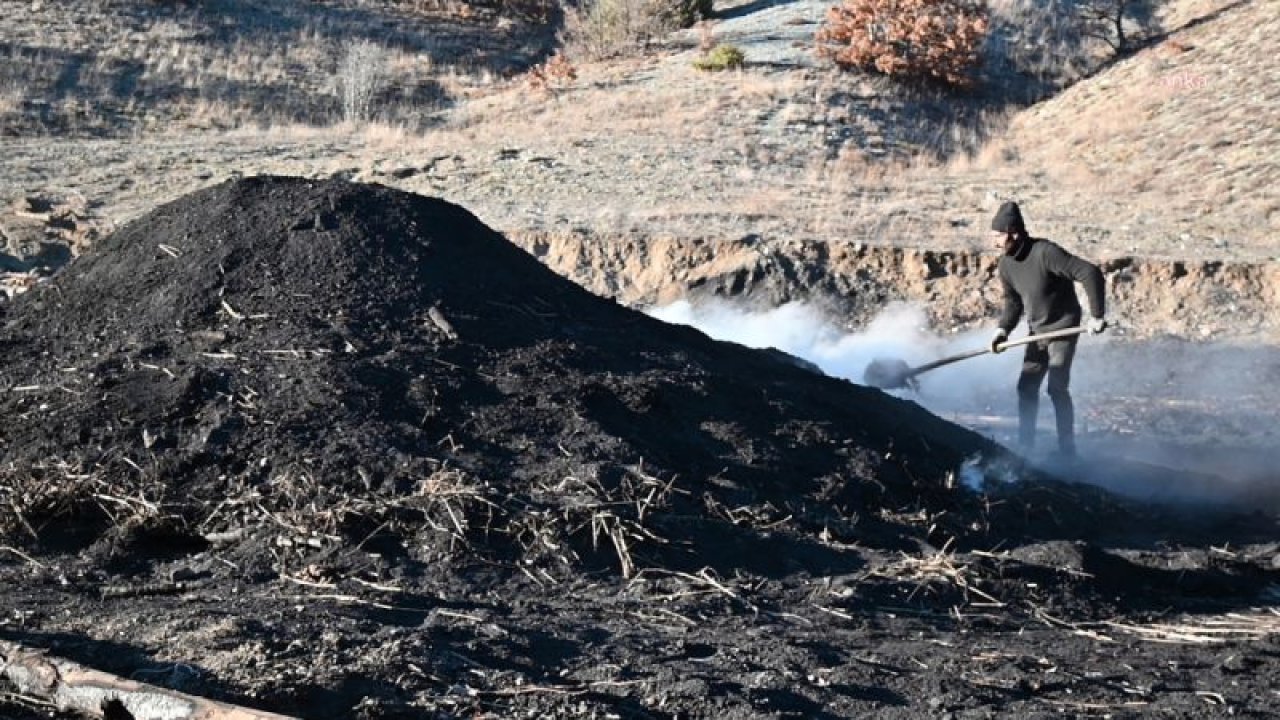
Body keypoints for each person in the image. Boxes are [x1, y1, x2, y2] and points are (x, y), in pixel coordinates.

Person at [988, 201, 1107, 458]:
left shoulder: (1045, 253)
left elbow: (1089, 272)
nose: (995, 242)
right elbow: (1013, 302)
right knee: (1026, 387)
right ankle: (1026, 446)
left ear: (1014, 232)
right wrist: (1002, 331)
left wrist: (1097, 315)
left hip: (1063, 329)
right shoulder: (1006, 265)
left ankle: (1067, 449)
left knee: (1056, 387)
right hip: (1038, 331)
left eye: (998, 236)